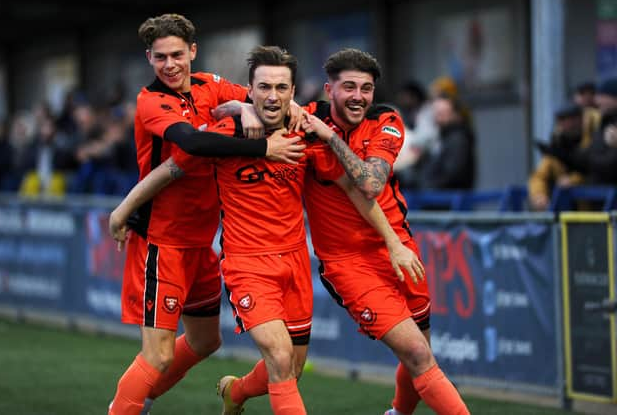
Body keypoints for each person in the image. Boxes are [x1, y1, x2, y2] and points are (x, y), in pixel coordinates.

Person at [109, 45, 421, 415]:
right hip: (246, 264)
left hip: (294, 264)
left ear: (292, 93)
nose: (272, 96)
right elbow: (172, 169)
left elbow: (357, 190)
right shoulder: (226, 132)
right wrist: (124, 209)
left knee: (291, 367)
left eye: (281, 88)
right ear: (250, 90)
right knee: (277, 353)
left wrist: (392, 242)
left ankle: (236, 392)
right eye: (264, 87)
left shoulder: (304, 133)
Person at [216, 49, 469, 415]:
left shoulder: (386, 120)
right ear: (328, 90)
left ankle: (396, 412)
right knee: (415, 352)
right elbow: (242, 102)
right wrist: (243, 109)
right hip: (348, 263)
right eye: (348, 86)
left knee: (420, 352)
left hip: (398, 248)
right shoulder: (302, 119)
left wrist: (395, 244)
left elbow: (368, 184)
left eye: (366, 88)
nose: (358, 96)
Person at [107, 15, 304, 415]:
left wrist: (268, 105)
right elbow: (192, 142)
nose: (170, 64)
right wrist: (263, 149)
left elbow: (264, 96)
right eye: (160, 57)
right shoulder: (151, 101)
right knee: (158, 355)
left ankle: (137, 400)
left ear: (192, 51)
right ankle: (123, 407)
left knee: (204, 340)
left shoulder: (210, 86)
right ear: (149, 58)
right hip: (162, 241)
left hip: (201, 241)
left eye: (177, 54)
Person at [528, 104, 588, 210]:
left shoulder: (592, 142)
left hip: (593, 208)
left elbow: (594, 171)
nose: (564, 124)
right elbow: (539, 176)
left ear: (580, 119)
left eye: (569, 119)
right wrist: (538, 195)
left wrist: (573, 180)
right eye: (561, 120)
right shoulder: (556, 147)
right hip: (565, 209)